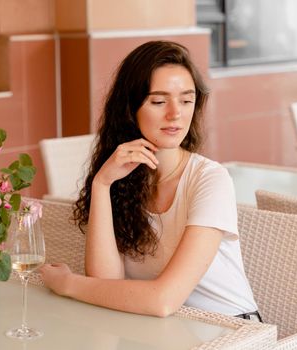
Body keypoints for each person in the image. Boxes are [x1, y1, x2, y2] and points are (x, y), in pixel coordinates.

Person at [40, 40, 261, 321]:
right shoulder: (123, 180)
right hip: (163, 332)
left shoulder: (209, 179)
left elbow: (163, 301)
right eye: (158, 101)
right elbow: (107, 282)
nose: (175, 113)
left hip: (233, 332)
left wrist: (68, 284)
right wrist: (102, 184)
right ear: (130, 109)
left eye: (186, 100)